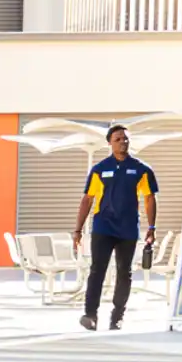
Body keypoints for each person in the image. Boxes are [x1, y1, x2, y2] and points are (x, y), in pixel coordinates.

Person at [74, 123, 158, 332]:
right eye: (118, 139)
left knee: (124, 272)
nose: (123, 142)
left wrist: (152, 227)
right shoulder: (100, 169)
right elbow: (87, 199)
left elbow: (149, 198)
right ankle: (90, 314)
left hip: (128, 228)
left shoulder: (142, 169)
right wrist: (77, 229)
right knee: (97, 271)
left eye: (126, 138)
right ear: (110, 143)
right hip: (103, 227)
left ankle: (117, 317)